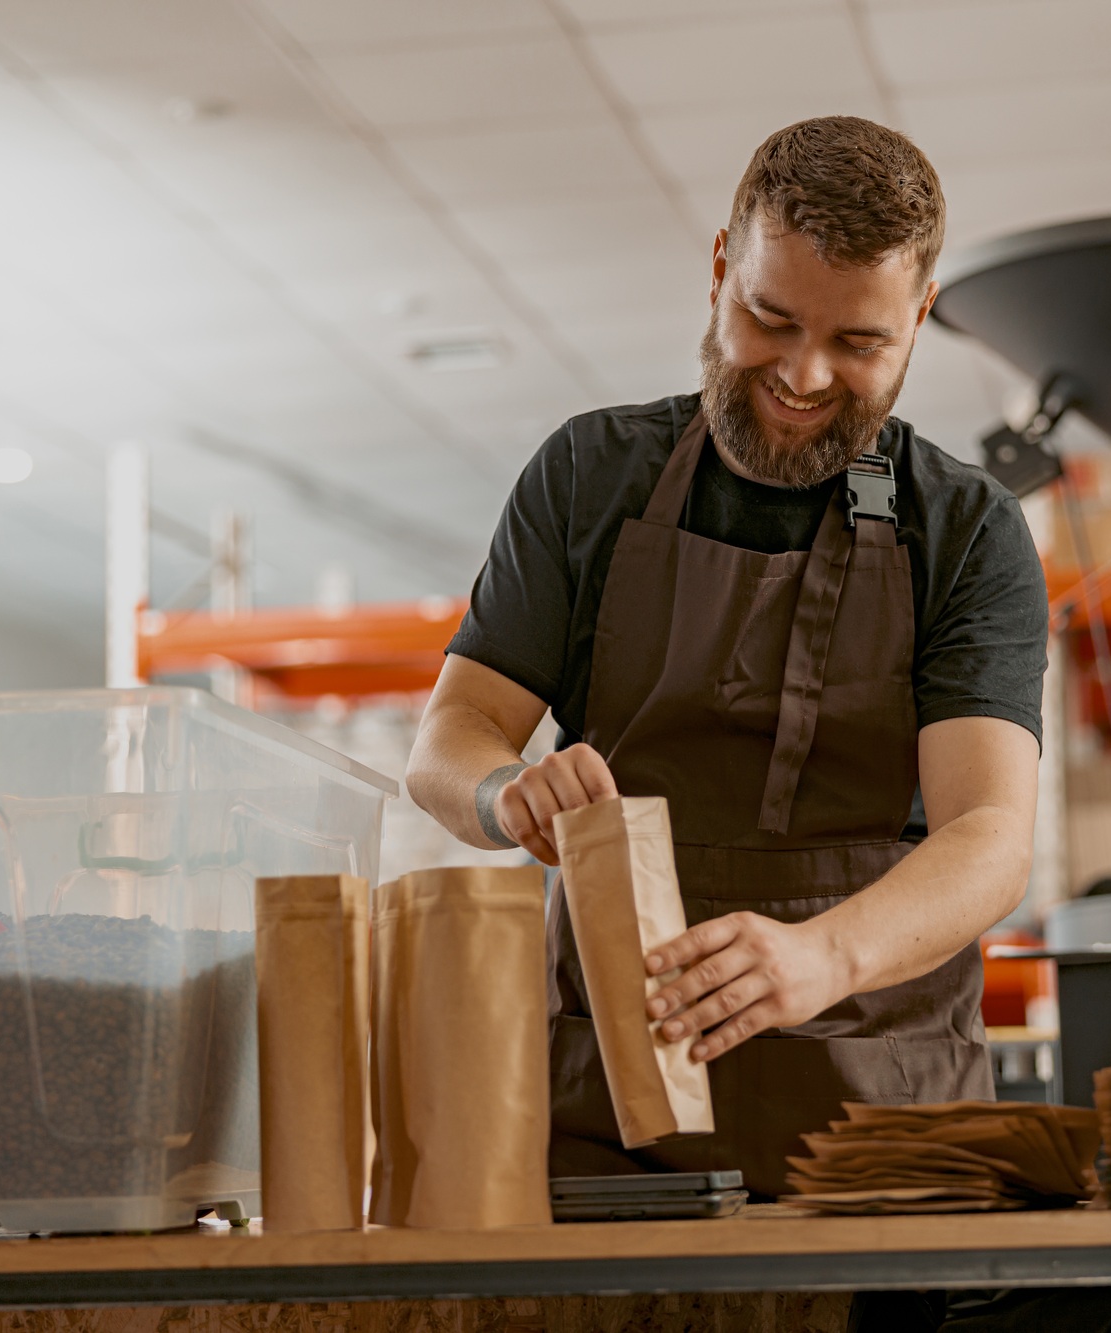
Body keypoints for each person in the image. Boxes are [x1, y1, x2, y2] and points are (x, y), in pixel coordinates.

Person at [406, 115, 1048, 1200]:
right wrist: (504, 788)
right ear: (719, 267)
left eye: (858, 343)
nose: (801, 376)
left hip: (880, 1120)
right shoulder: (586, 479)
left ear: (919, 319)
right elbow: (445, 742)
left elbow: (988, 836)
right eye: (769, 317)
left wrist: (820, 956)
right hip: (610, 1115)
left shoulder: (967, 529)